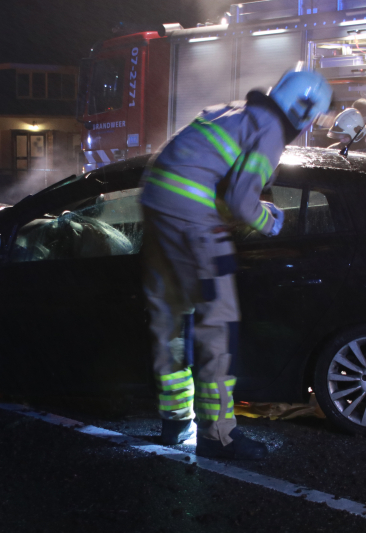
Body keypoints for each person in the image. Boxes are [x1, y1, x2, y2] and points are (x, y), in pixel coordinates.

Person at [140, 71, 332, 460]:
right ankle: (218, 436)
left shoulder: (234, 112)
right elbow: (245, 203)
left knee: (170, 318)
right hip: (192, 222)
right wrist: (273, 222)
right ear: (304, 112)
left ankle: (175, 420)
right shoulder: (270, 130)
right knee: (218, 327)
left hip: (157, 208)